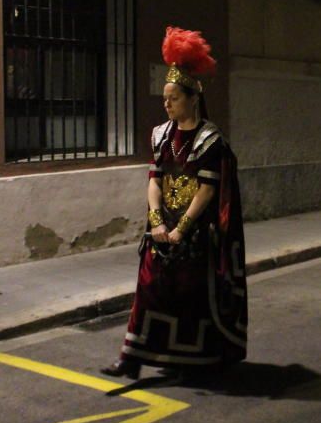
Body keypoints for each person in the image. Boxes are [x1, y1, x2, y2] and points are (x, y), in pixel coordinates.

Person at [102, 27, 248, 379]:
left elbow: (207, 191)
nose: (166, 104)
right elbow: (154, 181)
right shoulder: (160, 135)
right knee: (149, 288)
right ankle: (131, 358)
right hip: (163, 228)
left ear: (192, 98)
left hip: (196, 234)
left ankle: (194, 360)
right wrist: (157, 223)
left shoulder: (210, 140)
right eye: (165, 98)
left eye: (174, 98)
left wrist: (182, 229)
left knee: (191, 299)